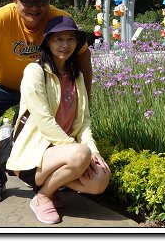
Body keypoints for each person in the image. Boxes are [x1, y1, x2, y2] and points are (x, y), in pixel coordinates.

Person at [0, 0, 93, 204]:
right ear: (15, 1)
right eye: (27, 1)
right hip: (0, 83)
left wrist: (85, 100)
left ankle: (40, 175)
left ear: (49, 1)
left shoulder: (59, 19)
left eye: (41, 1)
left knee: (53, 124)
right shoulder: (0, 18)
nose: (35, 7)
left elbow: (84, 58)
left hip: (41, 84)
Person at [6, 15, 109, 224]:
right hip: (34, 155)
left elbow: (84, 122)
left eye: (70, 39)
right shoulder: (35, 71)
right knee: (81, 154)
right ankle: (43, 196)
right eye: (58, 39)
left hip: (65, 153)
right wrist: (80, 152)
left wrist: (94, 151)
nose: (65, 45)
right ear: (47, 42)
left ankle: (51, 188)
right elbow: (44, 121)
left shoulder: (76, 76)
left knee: (100, 179)